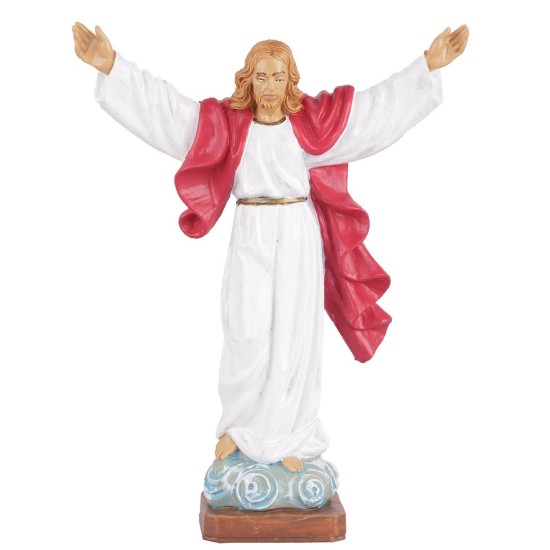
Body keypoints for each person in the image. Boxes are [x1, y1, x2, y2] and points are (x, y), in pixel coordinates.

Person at [72, 23, 469, 473]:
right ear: (248, 79)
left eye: (279, 77)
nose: (269, 87)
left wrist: (426, 67)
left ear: (290, 81)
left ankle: (292, 434)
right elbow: (168, 111)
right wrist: (113, 67)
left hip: (297, 235)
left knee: (294, 336)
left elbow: (373, 112)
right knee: (247, 330)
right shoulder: (226, 126)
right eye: (261, 77)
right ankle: (239, 428)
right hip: (251, 233)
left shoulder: (313, 126)